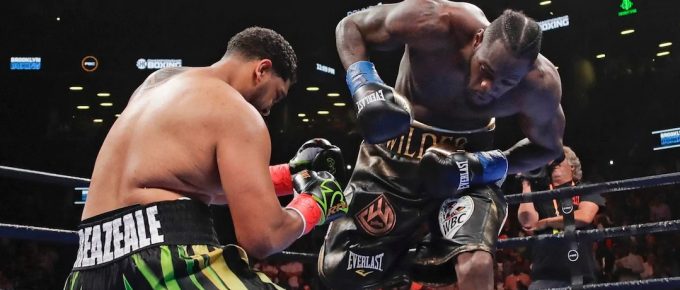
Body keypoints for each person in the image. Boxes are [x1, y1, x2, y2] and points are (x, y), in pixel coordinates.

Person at [62, 27, 349, 289]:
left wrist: (290, 175)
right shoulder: (238, 112)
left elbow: (194, 179)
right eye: (276, 96)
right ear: (262, 69)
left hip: (87, 267)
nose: (268, 110)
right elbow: (264, 237)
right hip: (166, 263)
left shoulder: (157, 82)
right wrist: (314, 203)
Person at [319, 0, 565, 289]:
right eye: (485, 69)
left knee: (477, 261)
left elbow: (549, 148)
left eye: (505, 82)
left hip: (463, 175)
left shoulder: (540, 85)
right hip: (389, 165)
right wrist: (365, 87)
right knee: (344, 274)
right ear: (478, 39)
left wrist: (483, 167)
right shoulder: (437, 21)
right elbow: (351, 26)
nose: (489, 86)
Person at [518, 146, 605, 289]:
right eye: (550, 162)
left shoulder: (585, 188)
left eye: (558, 160)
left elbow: (584, 217)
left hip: (581, 273)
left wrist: (546, 222)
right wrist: (526, 184)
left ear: (572, 166)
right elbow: (528, 223)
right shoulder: (541, 193)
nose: (554, 164)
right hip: (544, 274)